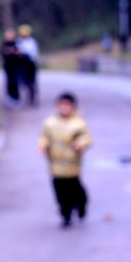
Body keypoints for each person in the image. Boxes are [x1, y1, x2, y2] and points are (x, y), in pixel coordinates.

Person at [38, 91, 92, 227]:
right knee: (60, 193)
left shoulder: (79, 124)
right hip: (55, 165)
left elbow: (86, 138)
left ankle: (81, 205)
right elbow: (44, 137)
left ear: (73, 107)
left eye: (67, 106)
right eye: (61, 106)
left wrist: (80, 144)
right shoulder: (50, 123)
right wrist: (42, 145)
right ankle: (65, 215)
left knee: (75, 189)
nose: (64, 109)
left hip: (72, 165)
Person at [16, 24, 40, 106]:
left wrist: (24, 54)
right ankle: (28, 96)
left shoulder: (32, 42)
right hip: (22, 64)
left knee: (32, 81)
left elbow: (34, 53)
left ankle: (32, 97)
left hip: (30, 63)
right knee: (24, 82)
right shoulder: (18, 41)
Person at [0, 28, 21, 108]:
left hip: (16, 66)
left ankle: (17, 99)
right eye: (8, 34)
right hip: (7, 66)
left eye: (11, 34)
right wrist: (10, 51)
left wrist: (11, 52)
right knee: (8, 82)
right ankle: (9, 98)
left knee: (15, 83)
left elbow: (19, 53)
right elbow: (1, 52)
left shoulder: (17, 43)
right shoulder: (4, 43)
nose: (10, 36)